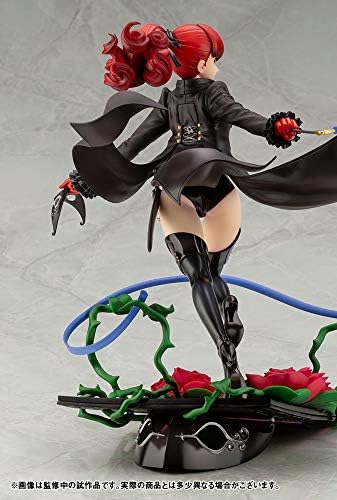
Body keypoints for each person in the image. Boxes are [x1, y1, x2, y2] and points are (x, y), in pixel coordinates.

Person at [60, 22, 301, 390]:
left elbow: (132, 146)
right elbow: (135, 145)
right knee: (202, 275)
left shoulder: (183, 99)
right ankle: (229, 359)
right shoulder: (189, 98)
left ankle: (227, 313)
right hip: (185, 192)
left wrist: (273, 127)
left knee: (209, 275)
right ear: (202, 63)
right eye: (213, 58)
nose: (215, 65)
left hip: (196, 190)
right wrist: (85, 179)